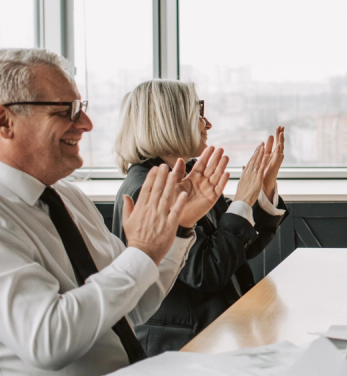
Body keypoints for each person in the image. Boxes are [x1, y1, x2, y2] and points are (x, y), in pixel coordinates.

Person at [0, 48, 229, 375]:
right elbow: (47, 340)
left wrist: (179, 228)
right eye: (67, 110)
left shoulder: (69, 197)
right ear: (4, 121)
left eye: (82, 108)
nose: (86, 124)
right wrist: (142, 252)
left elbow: (133, 305)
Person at [111, 79, 288, 356]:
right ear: (169, 121)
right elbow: (206, 272)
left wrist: (260, 192)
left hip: (222, 333)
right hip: (184, 348)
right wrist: (242, 200)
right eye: (198, 113)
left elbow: (236, 249)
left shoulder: (190, 173)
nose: (207, 124)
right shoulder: (147, 187)